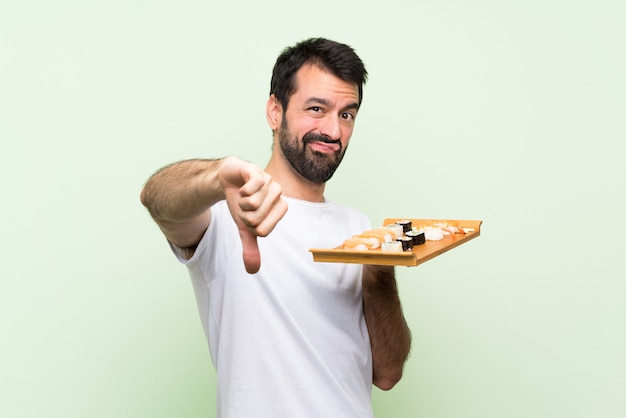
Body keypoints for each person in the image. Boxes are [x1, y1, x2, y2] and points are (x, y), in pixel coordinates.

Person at [140, 37, 411, 418]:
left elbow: (387, 373)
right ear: (274, 111)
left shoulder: (358, 226)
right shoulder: (226, 211)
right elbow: (156, 198)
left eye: (347, 114)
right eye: (316, 109)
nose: (333, 131)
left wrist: (381, 272)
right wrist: (217, 178)